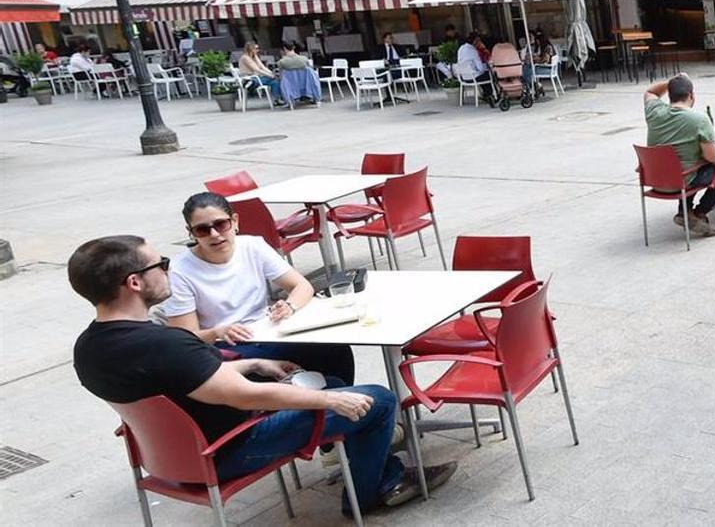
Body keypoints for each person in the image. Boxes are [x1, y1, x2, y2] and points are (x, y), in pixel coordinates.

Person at [69, 235, 455, 517]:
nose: (167, 270)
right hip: (232, 448)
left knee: (336, 384)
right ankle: (375, 490)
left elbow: (187, 381)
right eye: (160, 265)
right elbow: (244, 398)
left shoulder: (88, 348)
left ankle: (371, 470)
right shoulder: (164, 342)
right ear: (134, 282)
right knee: (376, 399)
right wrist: (329, 401)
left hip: (169, 457)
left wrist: (254, 365)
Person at [160, 192, 357, 384]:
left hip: (269, 333)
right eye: (202, 230)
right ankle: (327, 401)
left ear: (234, 221)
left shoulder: (252, 246)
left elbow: (302, 286)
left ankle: (339, 402)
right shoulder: (179, 271)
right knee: (314, 373)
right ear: (191, 232)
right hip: (226, 348)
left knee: (335, 349)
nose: (214, 234)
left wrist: (289, 306)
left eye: (221, 224)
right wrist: (218, 332)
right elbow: (184, 338)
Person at [643, 74, 715, 238]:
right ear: (691, 95)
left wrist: (673, 80)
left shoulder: (654, 112)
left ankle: (684, 213)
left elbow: (650, 92)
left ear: (670, 94)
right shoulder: (699, 119)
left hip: (656, 180)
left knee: (687, 165)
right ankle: (698, 213)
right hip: (681, 180)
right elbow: (711, 157)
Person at [455, 31, 493, 102]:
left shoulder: (461, 48)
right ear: (475, 41)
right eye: (479, 41)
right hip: (473, 78)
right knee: (489, 75)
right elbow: (480, 68)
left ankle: (486, 95)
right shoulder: (473, 51)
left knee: (483, 75)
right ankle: (490, 96)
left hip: (464, 78)